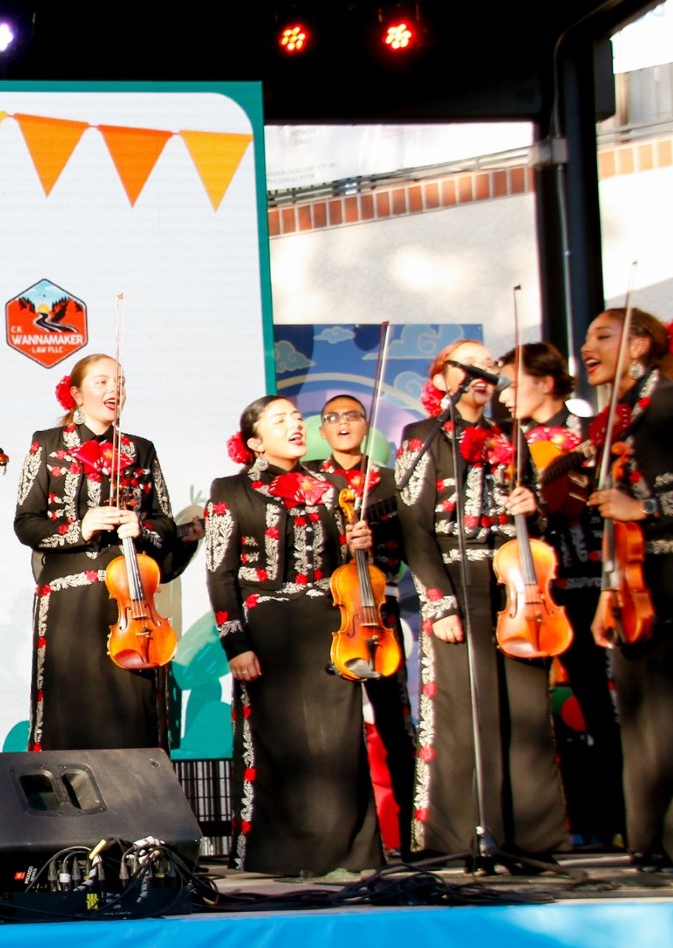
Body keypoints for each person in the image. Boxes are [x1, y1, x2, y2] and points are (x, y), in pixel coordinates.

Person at [396, 340, 566, 862]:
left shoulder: (511, 437)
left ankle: (532, 839)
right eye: (466, 365)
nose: (480, 372)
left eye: (488, 365)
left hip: (513, 585)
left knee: (525, 713)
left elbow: (538, 528)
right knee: (458, 712)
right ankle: (455, 838)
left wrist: (531, 507)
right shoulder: (420, 438)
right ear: (443, 377)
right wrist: (439, 603)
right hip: (455, 578)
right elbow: (413, 529)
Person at [206, 396, 384, 875]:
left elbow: (345, 568)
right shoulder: (230, 490)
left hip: (328, 625)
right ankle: (279, 855)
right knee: (278, 742)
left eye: (296, 418)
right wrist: (235, 643)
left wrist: (361, 547)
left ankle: (346, 852)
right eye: (279, 420)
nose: (295, 425)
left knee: (337, 740)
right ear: (255, 441)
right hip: (266, 624)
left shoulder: (329, 488)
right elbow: (220, 575)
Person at [15, 353, 178, 752]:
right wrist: (80, 528)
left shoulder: (140, 449)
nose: (113, 390)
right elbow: (26, 523)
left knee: (131, 704)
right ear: (76, 394)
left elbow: (167, 523)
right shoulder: (48, 445)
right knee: (69, 705)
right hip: (70, 599)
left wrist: (144, 528)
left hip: (130, 599)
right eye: (102, 382)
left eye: (119, 382)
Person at [582, 308, 673, 870]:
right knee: (641, 716)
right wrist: (607, 589)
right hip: (631, 583)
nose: (587, 347)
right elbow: (612, 524)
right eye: (586, 338)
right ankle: (651, 844)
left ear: (642, 346)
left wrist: (646, 507)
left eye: (603, 336)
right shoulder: (613, 422)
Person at [505, 341, 624, 849]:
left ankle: (624, 816)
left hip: (595, 584)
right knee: (544, 718)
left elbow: (596, 505)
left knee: (605, 706)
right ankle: (573, 819)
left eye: (515, 383)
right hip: (535, 594)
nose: (505, 395)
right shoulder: (506, 446)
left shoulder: (588, 434)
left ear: (546, 382)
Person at [308, 392, 415, 848]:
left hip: (381, 613)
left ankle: (411, 831)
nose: (343, 424)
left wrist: (378, 539)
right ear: (323, 430)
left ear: (366, 424)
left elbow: (413, 542)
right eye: (333, 418)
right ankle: (342, 838)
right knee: (333, 729)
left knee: (395, 722)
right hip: (330, 615)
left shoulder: (391, 481)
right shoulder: (309, 480)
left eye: (351, 416)